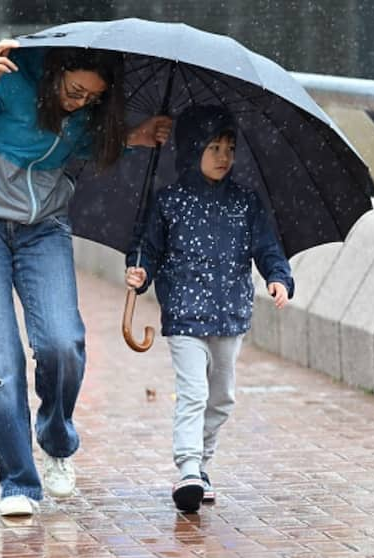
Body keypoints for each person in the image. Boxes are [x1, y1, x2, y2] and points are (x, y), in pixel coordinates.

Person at [0, 39, 171, 517]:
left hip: (43, 230)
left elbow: (80, 141)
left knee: (63, 344)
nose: (79, 103)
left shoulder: (84, 114)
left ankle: (56, 439)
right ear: (56, 70)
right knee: (2, 362)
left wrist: (131, 135)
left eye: (92, 98)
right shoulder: (9, 82)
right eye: (75, 91)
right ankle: (18, 482)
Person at [125, 105, 294, 513]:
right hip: (184, 316)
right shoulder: (168, 202)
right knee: (194, 393)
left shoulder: (245, 202)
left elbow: (268, 248)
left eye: (229, 148)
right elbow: (148, 248)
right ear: (191, 150)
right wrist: (140, 272)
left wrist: (278, 277)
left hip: (230, 316)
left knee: (222, 397)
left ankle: (201, 463)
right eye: (213, 147)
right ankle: (187, 468)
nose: (223, 156)